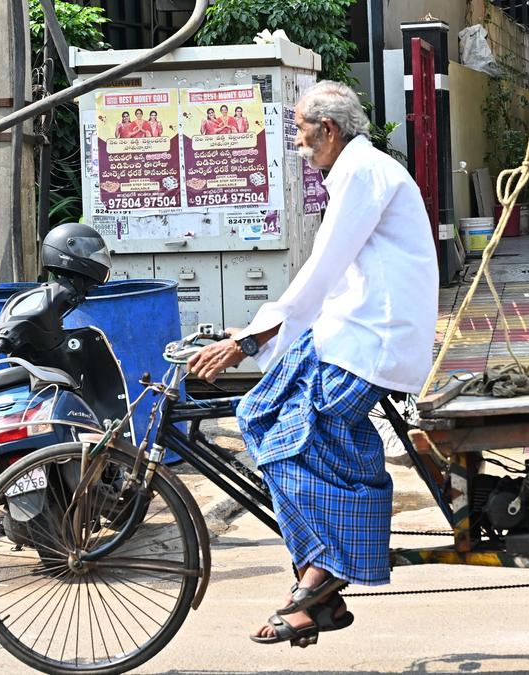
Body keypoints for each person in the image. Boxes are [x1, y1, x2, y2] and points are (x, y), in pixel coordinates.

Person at [189, 80, 438, 648]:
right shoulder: (357, 170)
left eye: (301, 131)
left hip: (372, 340)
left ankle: (318, 580)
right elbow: (331, 277)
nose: (298, 143)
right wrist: (255, 332)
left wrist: (248, 341)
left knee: (283, 431)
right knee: (262, 416)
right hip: (353, 331)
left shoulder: (361, 172)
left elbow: (322, 268)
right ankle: (318, 581)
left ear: (327, 129)